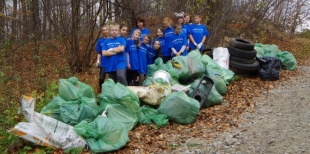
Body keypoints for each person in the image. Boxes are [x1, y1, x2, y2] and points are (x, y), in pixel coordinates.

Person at [95, 25, 109, 93]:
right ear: (102, 32)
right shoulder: (100, 41)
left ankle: (111, 91)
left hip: (111, 63)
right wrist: (98, 61)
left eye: (106, 29)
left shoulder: (112, 39)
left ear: (108, 30)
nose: (105, 31)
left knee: (112, 79)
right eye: (104, 30)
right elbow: (99, 52)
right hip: (103, 63)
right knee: (101, 78)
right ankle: (101, 90)